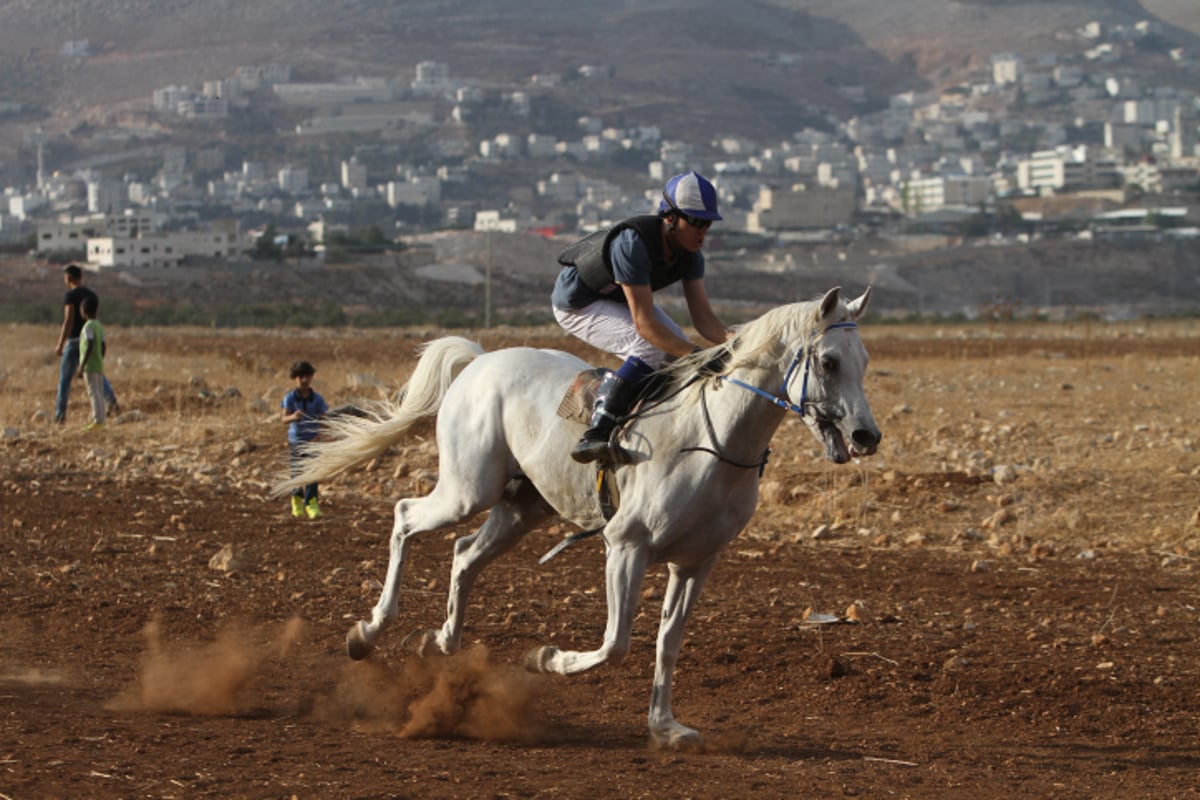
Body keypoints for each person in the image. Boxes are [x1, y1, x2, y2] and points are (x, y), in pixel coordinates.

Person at [552, 170, 733, 464]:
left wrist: (737, 342)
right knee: (651, 346)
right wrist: (698, 356)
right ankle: (597, 431)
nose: (702, 232)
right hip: (577, 303)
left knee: (675, 343)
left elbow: (704, 320)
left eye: (707, 224)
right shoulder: (632, 244)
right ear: (670, 218)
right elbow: (645, 325)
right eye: (696, 222)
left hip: (614, 296)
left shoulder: (692, 255)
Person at [54, 263, 119, 424]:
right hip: (91, 341)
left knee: (65, 379)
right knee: (97, 374)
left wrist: (60, 343)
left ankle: (60, 414)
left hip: (75, 340)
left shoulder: (70, 296)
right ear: (80, 277)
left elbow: (68, 320)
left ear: (68, 278)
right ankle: (111, 402)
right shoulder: (92, 295)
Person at [281, 360, 329, 519]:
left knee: (313, 474)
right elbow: (283, 418)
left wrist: (319, 436)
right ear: (295, 378)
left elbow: (324, 419)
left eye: (307, 376)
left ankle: (312, 505)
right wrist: (293, 417)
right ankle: (296, 502)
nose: (304, 380)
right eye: (301, 377)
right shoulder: (290, 398)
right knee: (297, 473)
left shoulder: (318, 399)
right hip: (296, 441)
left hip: (313, 441)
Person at [76, 295, 108, 432]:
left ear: (83, 311)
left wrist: (82, 365)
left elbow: (89, 344)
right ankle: (101, 421)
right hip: (99, 364)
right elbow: (103, 345)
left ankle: (97, 421)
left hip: (90, 365)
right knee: (99, 392)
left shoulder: (87, 327)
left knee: (93, 392)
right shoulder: (99, 326)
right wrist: (100, 357)